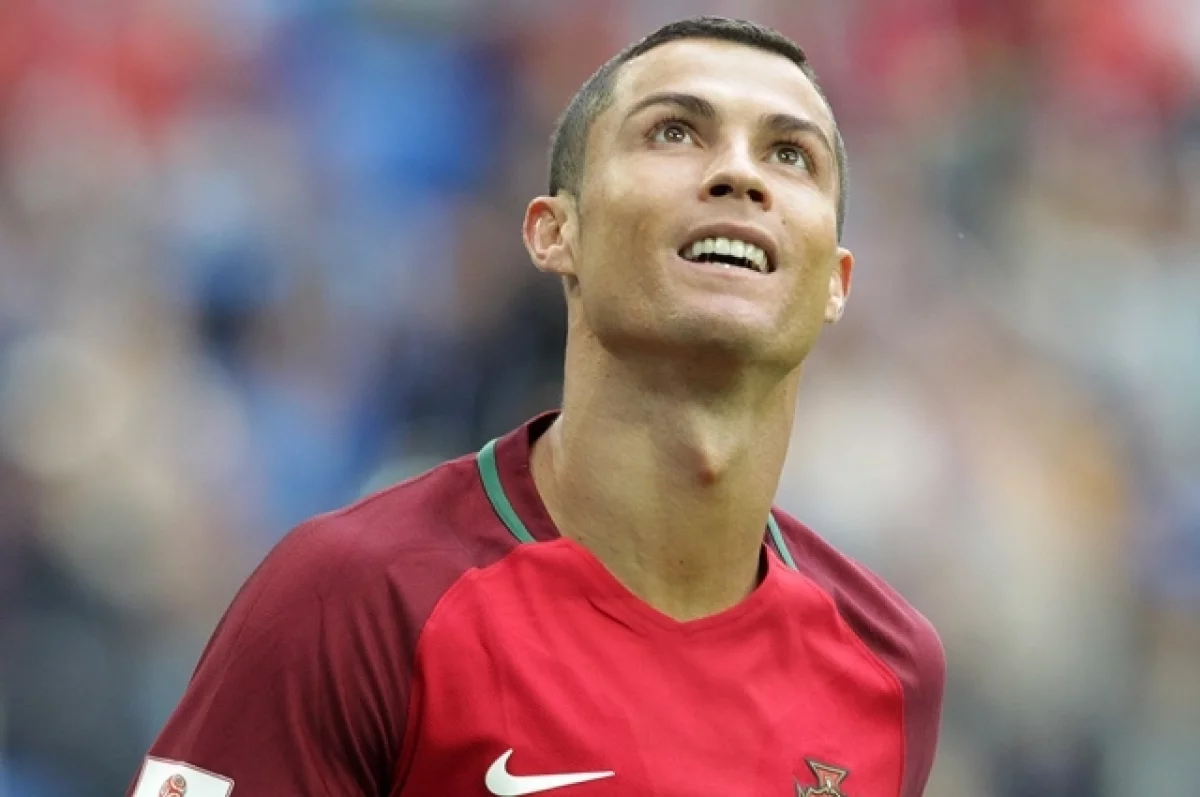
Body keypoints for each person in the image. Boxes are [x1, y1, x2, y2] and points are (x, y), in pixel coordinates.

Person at [128, 15, 945, 797]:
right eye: (673, 132)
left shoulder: (889, 663)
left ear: (837, 282)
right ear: (555, 233)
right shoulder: (353, 596)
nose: (741, 174)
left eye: (791, 154)